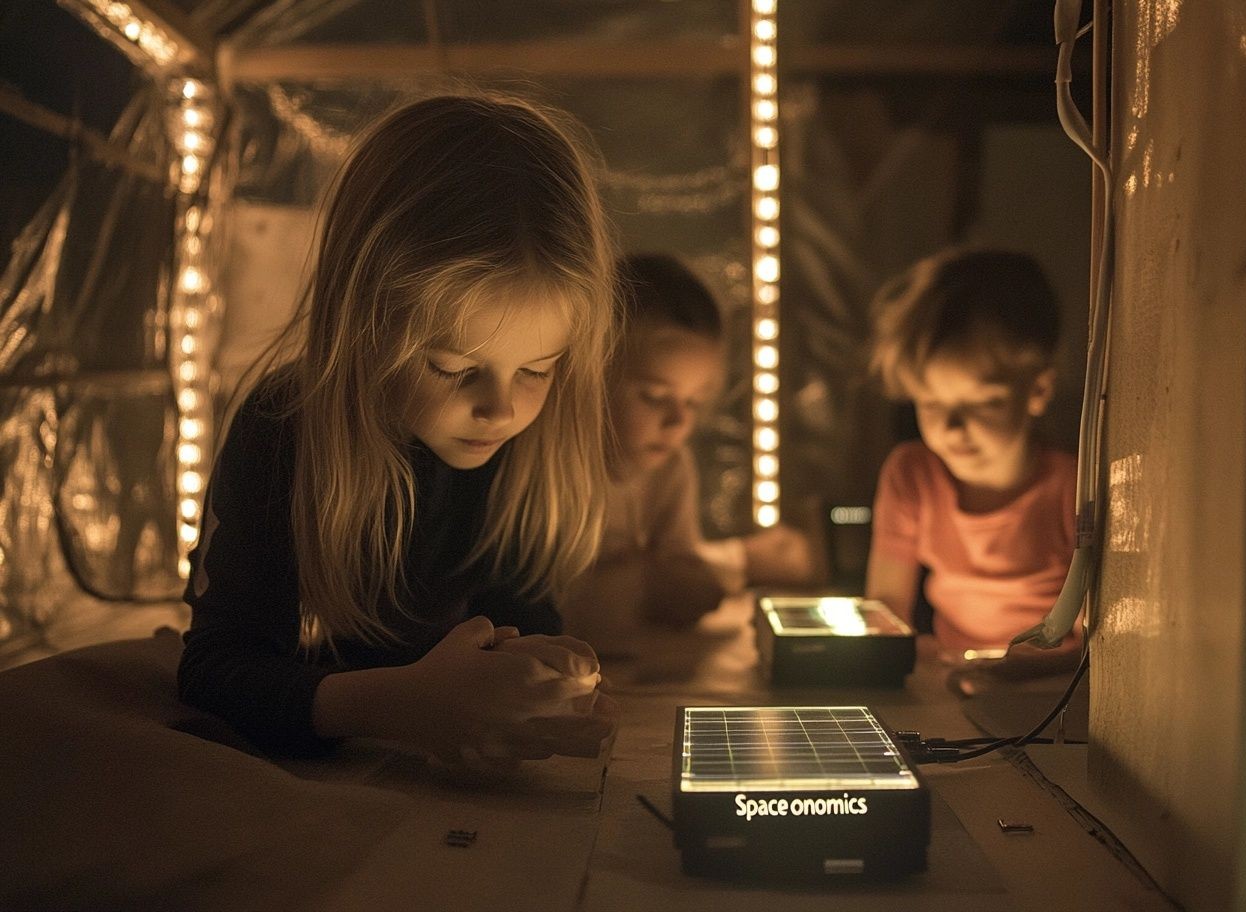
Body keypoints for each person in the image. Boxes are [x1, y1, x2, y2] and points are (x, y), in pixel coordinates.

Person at [178, 94, 618, 769]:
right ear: (363, 325)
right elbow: (215, 671)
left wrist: (539, 667)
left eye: (537, 369)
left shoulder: (515, 449)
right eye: (451, 368)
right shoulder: (283, 430)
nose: (500, 410)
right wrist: (398, 706)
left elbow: (516, 612)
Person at [560, 253, 818, 652]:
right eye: (654, 396)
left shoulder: (671, 467)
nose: (678, 420)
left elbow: (683, 579)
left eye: (694, 402)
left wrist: (684, 581)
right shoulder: (558, 466)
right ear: (590, 375)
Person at [864, 247, 1078, 666]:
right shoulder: (912, 476)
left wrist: (1013, 670)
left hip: (1052, 694)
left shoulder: (1074, 489)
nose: (951, 429)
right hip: (951, 684)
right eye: (930, 404)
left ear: (1037, 390)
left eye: (982, 404)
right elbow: (885, 613)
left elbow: (1097, 641)